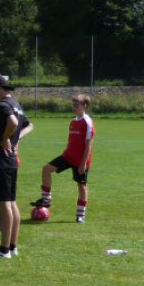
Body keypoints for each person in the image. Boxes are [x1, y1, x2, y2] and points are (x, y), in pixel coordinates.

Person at [0, 75, 33, 259]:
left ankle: (4, 250)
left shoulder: (3, 105)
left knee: (3, 206)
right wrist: (16, 139)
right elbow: (30, 126)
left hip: (1, 161)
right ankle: (12, 246)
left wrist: (5, 139)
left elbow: (12, 122)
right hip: (11, 161)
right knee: (11, 203)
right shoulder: (16, 104)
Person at [32, 94, 95, 223]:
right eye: (74, 105)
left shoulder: (87, 123)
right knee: (46, 169)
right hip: (68, 157)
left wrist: (83, 164)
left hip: (81, 161)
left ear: (85, 106)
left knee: (82, 186)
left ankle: (80, 215)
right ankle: (46, 200)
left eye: (77, 105)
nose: (74, 107)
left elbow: (88, 146)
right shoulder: (73, 121)